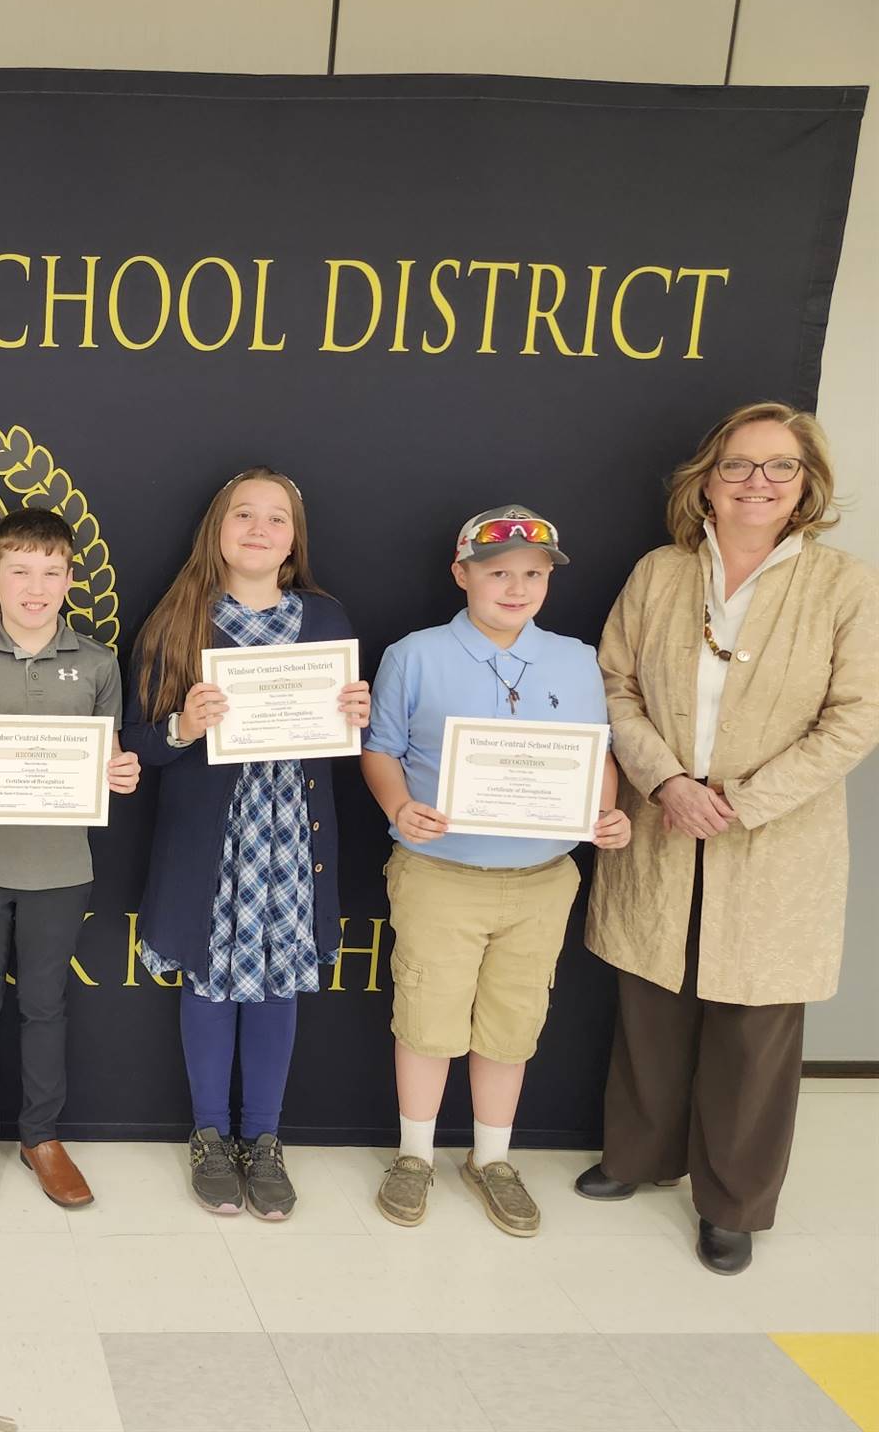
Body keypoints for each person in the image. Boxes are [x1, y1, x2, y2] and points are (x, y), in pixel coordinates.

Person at [576, 404, 879, 1274]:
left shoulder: (842, 586)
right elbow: (615, 683)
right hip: (665, 819)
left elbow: (854, 719)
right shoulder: (661, 573)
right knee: (650, 1001)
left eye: (779, 468)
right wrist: (668, 781)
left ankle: (733, 1202)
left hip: (776, 838)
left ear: (806, 486)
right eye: (740, 466)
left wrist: (740, 802)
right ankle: (638, 1157)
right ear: (706, 482)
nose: (758, 482)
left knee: (755, 1025)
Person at [361, 506, 629, 1238]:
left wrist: (605, 815)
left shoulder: (576, 658)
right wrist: (399, 806)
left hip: (541, 876)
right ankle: (414, 1155)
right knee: (426, 1016)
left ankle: (492, 1158)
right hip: (439, 871)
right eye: (498, 571)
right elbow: (380, 747)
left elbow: (596, 755)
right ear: (463, 574)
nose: (517, 587)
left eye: (533, 574)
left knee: (513, 1021)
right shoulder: (415, 654)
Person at [122, 470, 370, 1219]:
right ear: (216, 530)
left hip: (291, 832)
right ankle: (208, 1133)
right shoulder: (178, 619)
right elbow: (136, 746)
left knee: (276, 984)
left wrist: (356, 714)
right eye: (244, 515)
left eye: (278, 520)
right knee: (210, 979)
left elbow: (346, 739)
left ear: (295, 542)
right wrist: (181, 728)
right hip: (214, 839)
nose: (259, 530)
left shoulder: (326, 621)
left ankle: (263, 1138)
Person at [0, 509, 141, 1208]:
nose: (34, 587)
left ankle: (41, 1135)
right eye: (19, 572)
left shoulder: (99, 663)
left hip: (61, 867)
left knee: (45, 1006)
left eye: (50, 573)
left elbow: (109, 755)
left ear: (70, 579)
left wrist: (120, 772)